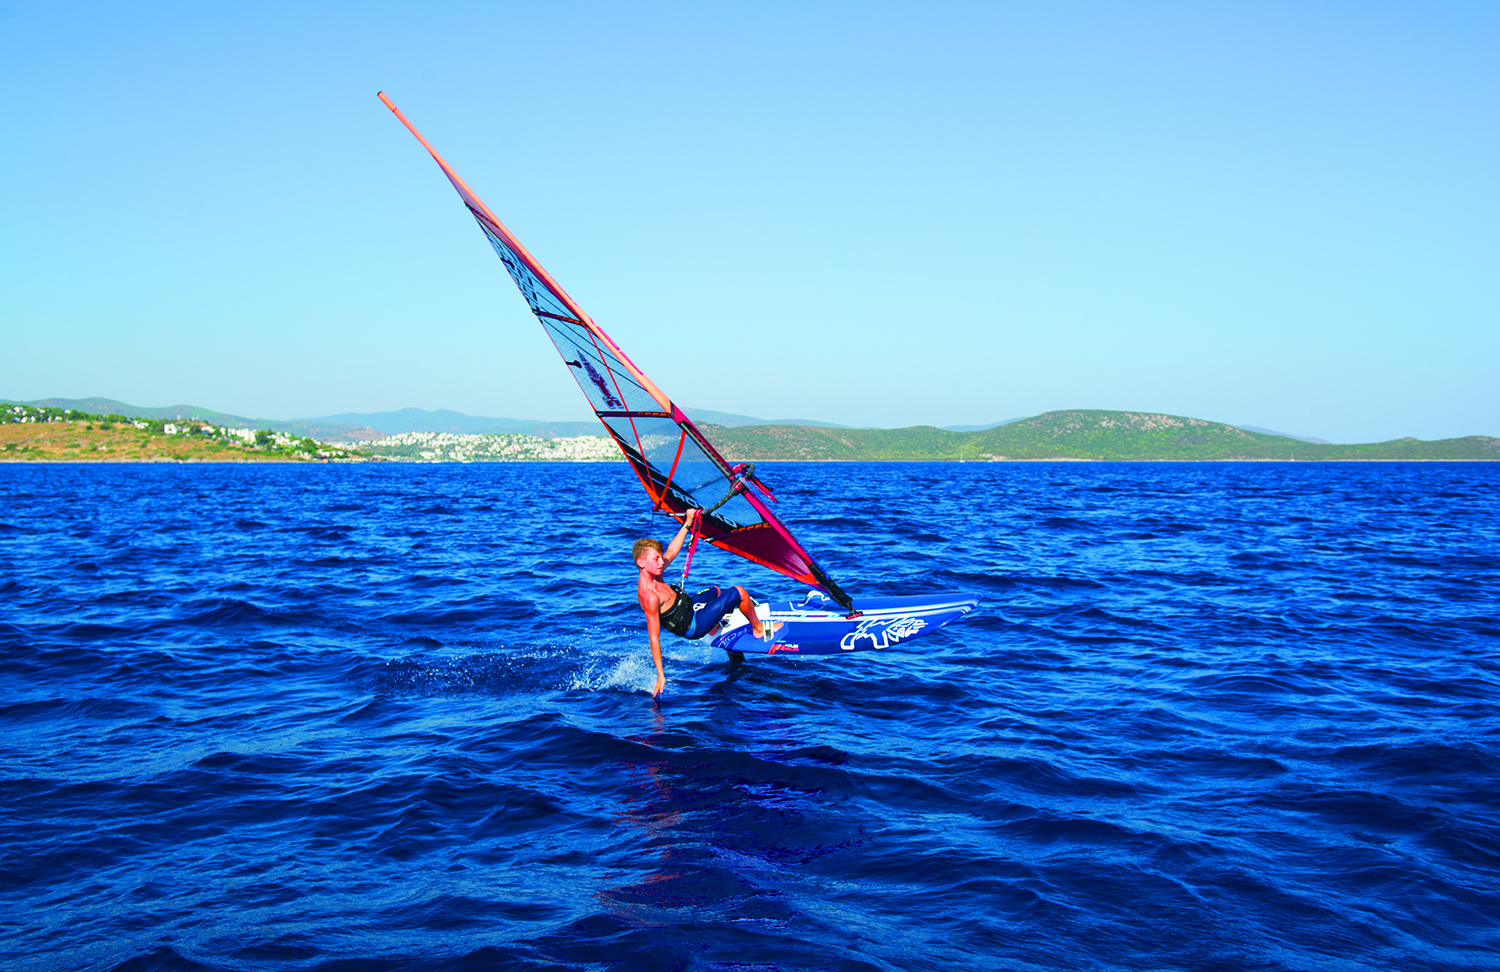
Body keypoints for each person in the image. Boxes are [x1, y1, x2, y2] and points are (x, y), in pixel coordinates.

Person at [634, 509, 775, 697]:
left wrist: (688, 522)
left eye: (660, 558)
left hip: (687, 606)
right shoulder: (649, 596)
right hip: (692, 625)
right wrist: (661, 676)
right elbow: (654, 638)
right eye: (656, 559)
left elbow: (672, 551)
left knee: (716, 591)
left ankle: (714, 626)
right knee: (739, 592)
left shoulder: (654, 572)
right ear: (641, 562)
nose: (662, 562)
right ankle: (758, 629)